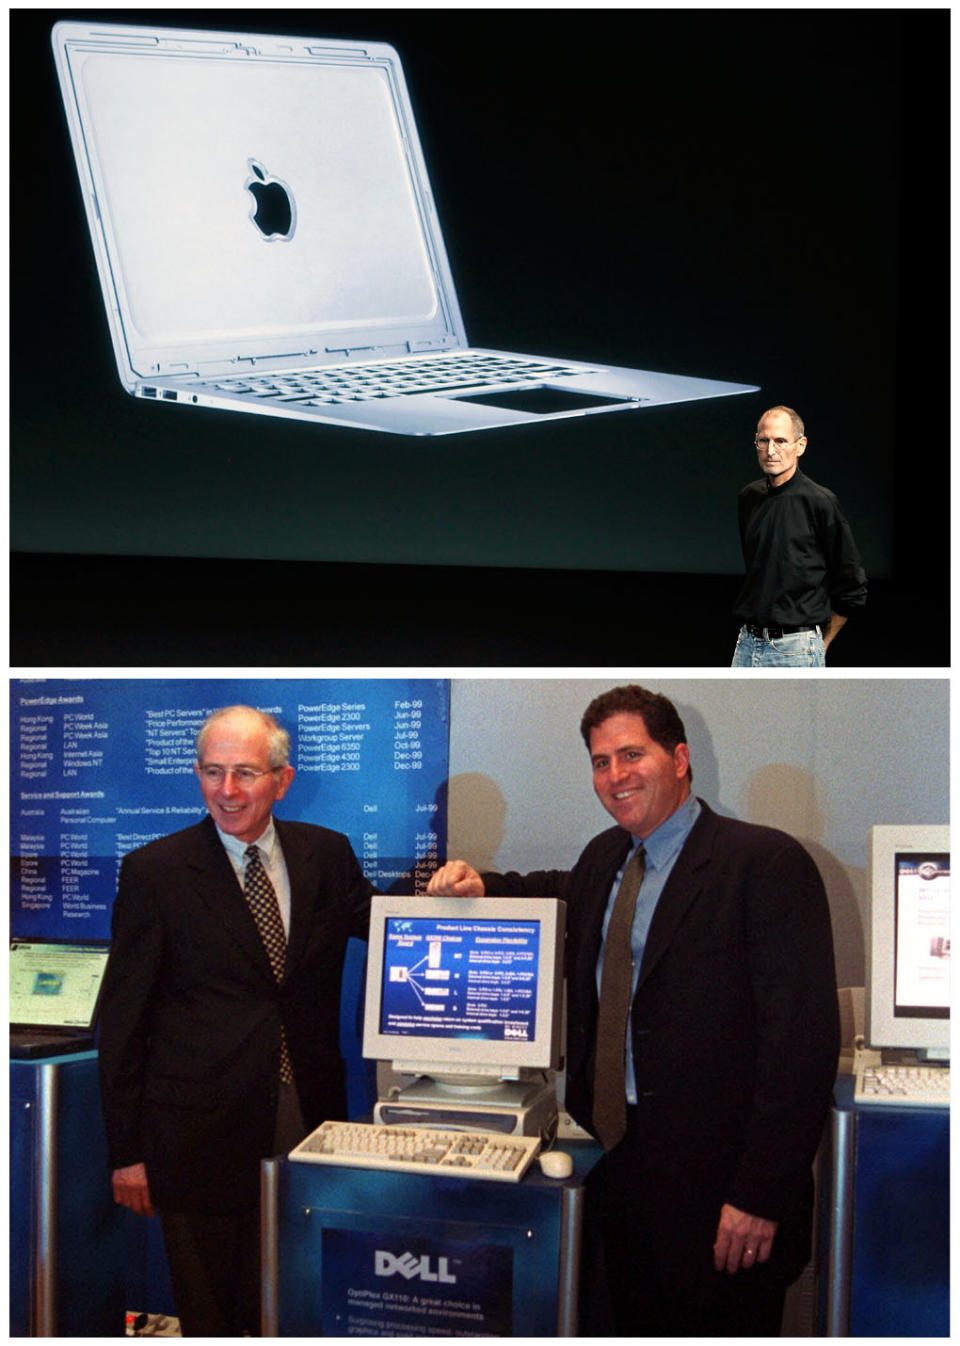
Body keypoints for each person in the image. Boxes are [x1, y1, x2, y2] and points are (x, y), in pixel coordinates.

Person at [428, 685, 839, 1336]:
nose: (614, 776)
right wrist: (482, 885)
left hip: (721, 1192)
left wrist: (758, 1196)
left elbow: (802, 1049)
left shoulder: (763, 864)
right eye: (599, 762)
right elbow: (558, 896)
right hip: (619, 1168)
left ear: (678, 759)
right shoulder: (607, 859)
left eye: (630, 755)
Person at [98, 705, 375, 1336]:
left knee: (302, 1296)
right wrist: (127, 1155)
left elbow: (382, 923)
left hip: (308, 1118)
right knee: (214, 1311)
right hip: (197, 1141)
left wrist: (459, 892)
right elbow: (122, 1023)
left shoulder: (326, 856)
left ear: (283, 778)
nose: (227, 791)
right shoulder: (155, 873)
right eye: (212, 772)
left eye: (245, 773)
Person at [731, 405, 867, 666]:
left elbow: (852, 585)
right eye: (764, 441)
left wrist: (820, 643)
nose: (771, 451)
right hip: (747, 642)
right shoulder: (749, 497)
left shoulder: (819, 501)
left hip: (796, 647)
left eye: (781, 441)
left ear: (800, 445)